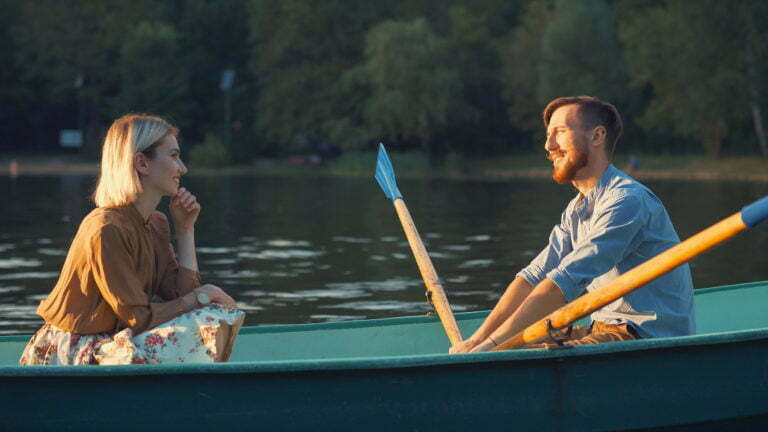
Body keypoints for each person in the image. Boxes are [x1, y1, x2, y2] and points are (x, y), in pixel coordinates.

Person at [450, 96, 694, 353]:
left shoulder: (627, 201)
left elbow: (562, 283)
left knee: (510, 351)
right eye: (547, 135)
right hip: (602, 328)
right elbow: (533, 278)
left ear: (597, 136)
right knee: (509, 345)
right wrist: (477, 341)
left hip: (645, 338)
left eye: (560, 132)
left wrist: (492, 347)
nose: (548, 145)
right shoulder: (577, 209)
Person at [20, 114, 244, 365]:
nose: (183, 168)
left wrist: (185, 230)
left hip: (117, 337)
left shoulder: (156, 223)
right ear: (142, 163)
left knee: (211, 315)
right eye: (173, 156)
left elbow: (180, 296)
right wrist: (206, 294)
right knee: (210, 316)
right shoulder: (106, 229)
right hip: (75, 349)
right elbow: (139, 317)